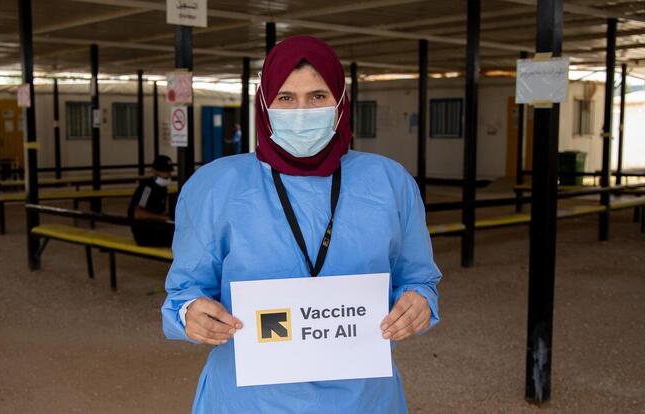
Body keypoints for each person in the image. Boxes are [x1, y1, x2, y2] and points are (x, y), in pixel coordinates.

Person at [161, 36, 441, 413]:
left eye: (317, 96)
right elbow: (184, 292)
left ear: (340, 103)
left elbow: (419, 279)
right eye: (286, 98)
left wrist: (419, 303)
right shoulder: (216, 186)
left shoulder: (389, 182)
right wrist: (190, 313)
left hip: (362, 398)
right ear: (264, 104)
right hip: (249, 400)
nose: (301, 110)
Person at [127, 155, 174, 247]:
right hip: (145, 234)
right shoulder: (147, 188)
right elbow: (138, 213)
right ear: (154, 171)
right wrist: (161, 217)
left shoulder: (162, 188)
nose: (168, 174)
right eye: (164, 171)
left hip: (156, 227)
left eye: (169, 171)